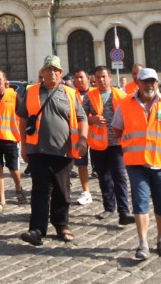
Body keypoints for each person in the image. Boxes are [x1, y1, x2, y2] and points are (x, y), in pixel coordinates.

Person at [109, 67, 161, 260]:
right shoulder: (125, 104)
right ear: (138, 83)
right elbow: (117, 129)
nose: (149, 85)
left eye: (153, 81)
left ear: (157, 83)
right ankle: (143, 243)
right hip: (136, 162)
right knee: (140, 202)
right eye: (145, 81)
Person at [17, 55, 87, 246]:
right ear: (42, 72)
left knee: (62, 191)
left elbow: (82, 118)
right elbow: (23, 119)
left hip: (64, 151)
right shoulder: (31, 92)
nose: (53, 73)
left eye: (56, 70)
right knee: (39, 191)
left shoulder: (70, 93)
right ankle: (37, 229)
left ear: (61, 73)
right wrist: (23, 145)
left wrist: (83, 137)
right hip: (37, 151)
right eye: (49, 69)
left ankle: (62, 225)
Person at [85, 66, 133, 225]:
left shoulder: (121, 95)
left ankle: (124, 212)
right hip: (98, 144)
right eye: (98, 77)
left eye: (103, 76)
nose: (101, 80)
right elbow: (81, 116)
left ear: (110, 77)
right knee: (104, 177)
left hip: (117, 143)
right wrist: (92, 120)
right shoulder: (90, 96)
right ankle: (109, 207)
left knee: (119, 177)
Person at [0, 69, 25, 211]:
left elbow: (23, 116)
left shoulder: (14, 96)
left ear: (5, 80)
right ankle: (1, 199)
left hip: (10, 137)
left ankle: (18, 187)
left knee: (13, 168)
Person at [71, 70, 96, 206]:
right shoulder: (71, 93)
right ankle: (86, 192)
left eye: (81, 77)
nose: (79, 80)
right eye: (76, 77)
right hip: (79, 135)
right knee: (81, 164)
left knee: (101, 166)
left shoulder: (95, 93)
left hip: (97, 135)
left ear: (88, 78)